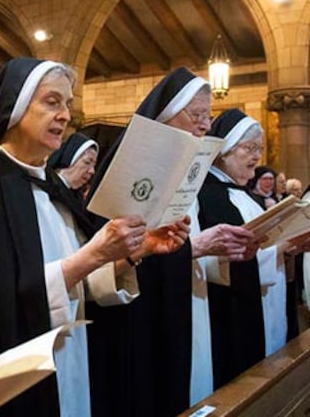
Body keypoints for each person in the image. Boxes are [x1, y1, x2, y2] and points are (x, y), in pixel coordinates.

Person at [0, 57, 188, 417]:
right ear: (15, 107)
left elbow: (78, 283)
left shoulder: (52, 186)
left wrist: (130, 252)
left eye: (67, 104)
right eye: (52, 102)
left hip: (72, 357)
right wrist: (92, 255)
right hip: (17, 377)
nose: (66, 115)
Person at [87, 67, 254, 416]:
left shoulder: (190, 174)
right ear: (164, 116)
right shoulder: (131, 167)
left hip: (190, 303)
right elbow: (119, 257)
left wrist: (215, 249)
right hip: (145, 319)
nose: (206, 125)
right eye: (196, 115)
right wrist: (197, 247)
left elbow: (190, 246)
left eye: (208, 116)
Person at [199, 109, 295, 389]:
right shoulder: (209, 195)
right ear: (226, 150)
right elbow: (225, 261)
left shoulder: (245, 195)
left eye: (260, 149)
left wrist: (287, 250)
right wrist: (282, 247)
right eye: (249, 148)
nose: (257, 156)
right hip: (233, 312)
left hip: (268, 302)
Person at [47, 132, 98, 198]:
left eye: (94, 165)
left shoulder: (77, 199)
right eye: (87, 162)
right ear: (69, 160)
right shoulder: (44, 189)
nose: (92, 171)